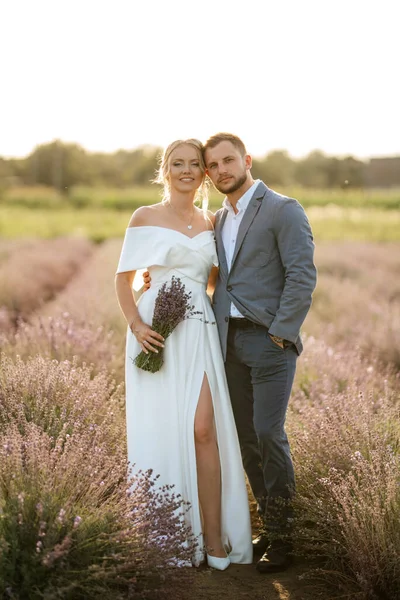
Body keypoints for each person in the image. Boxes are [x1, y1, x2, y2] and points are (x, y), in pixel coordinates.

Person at [115, 138, 253, 571]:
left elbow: (211, 282)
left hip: (201, 332)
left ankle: (214, 539)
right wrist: (138, 324)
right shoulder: (145, 217)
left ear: (205, 173)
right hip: (156, 332)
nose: (188, 170)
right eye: (178, 163)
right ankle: (169, 537)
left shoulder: (211, 222)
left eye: (196, 164)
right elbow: (124, 281)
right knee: (162, 430)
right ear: (165, 170)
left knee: (202, 430)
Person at [201, 132, 317, 573]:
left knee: (270, 434)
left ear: (247, 159)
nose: (221, 171)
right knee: (247, 440)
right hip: (227, 342)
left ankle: (285, 539)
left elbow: (302, 274)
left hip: (268, 342)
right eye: (213, 166)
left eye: (228, 160)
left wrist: (281, 334)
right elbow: (216, 276)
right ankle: (271, 523)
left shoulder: (283, 209)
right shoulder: (218, 218)